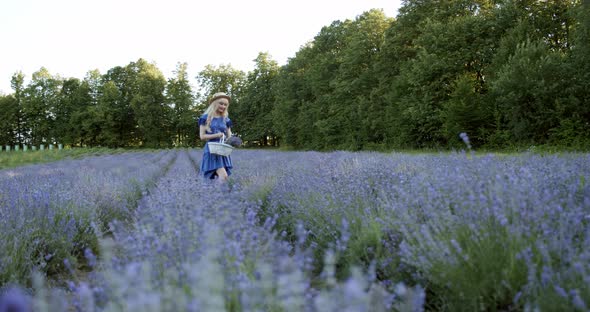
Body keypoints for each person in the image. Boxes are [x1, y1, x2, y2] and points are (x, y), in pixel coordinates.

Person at [199, 92, 234, 181]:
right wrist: (217, 135)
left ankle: (215, 193)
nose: (223, 106)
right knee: (223, 176)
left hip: (222, 150)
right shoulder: (205, 118)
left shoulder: (226, 119)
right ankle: (220, 193)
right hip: (212, 150)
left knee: (218, 178)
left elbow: (229, 136)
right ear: (214, 103)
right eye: (221, 103)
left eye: (225, 105)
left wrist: (234, 141)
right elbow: (202, 136)